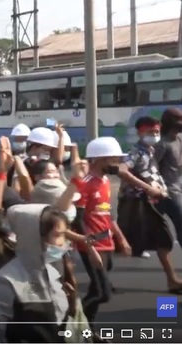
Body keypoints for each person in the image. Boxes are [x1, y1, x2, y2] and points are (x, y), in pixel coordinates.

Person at [0, 204, 90, 343]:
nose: (63, 242)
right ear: (34, 237)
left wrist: (73, 308)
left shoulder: (52, 273)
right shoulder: (4, 280)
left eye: (65, 235)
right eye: (57, 235)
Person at [116, 116, 182, 292]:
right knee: (160, 239)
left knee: (163, 240)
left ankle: (172, 280)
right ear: (140, 132)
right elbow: (122, 171)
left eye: (156, 132)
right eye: (150, 132)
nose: (154, 135)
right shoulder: (135, 152)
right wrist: (148, 188)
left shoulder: (151, 150)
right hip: (142, 204)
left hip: (154, 201)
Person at [71, 137, 131, 325]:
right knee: (102, 293)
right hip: (91, 245)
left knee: (96, 290)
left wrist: (121, 239)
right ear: (99, 159)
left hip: (107, 243)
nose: (117, 163)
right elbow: (77, 220)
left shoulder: (105, 181)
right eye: (113, 159)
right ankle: (72, 323)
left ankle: (88, 330)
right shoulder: (85, 183)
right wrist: (91, 250)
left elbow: (107, 215)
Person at [154, 107, 182, 246]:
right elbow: (153, 168)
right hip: (167, 192)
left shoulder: (179, 140)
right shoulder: (162, 145)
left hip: (177, 189)